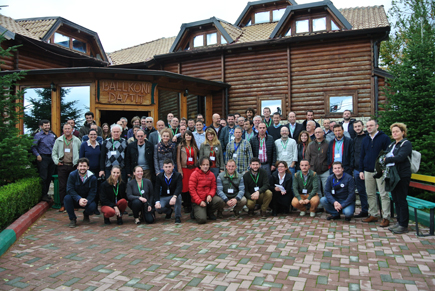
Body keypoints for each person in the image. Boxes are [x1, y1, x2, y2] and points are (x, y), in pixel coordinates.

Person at [359, 119, 392, 226]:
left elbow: (389, 154)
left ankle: (386, 216)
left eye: (371, 125)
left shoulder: (384, 138)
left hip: (380, 170)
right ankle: (373, 214)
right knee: (370, 193)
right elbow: (362, 156)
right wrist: (361, 170)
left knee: (383, 194)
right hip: (368, 170)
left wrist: (384, 167)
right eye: (367, 126)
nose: (369, 127)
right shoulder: (365, 139)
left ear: (377, 126)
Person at [384, 123, 412, 234]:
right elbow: (385, 155)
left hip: (402, 175)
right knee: (395, 199)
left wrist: (387, 160)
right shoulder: (391, 145)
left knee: (401, 199)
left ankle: (403, 224)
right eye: (393, 132)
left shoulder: (406, 144)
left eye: (397, 131)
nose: (395, 133)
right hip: (392, 175)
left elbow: (400, 157)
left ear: (403, 132)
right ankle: (399, 221)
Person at [52, 123, 81, 211]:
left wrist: (78, 164)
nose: (67, 130)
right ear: (63, 130)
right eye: (66, 129)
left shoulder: (77, 140)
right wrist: (57, 162)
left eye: (69, 128)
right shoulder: (59, 140)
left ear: (72, 130)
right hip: (62, 166)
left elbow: (80, 152)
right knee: (62, 186)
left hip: (73, 166)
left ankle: (75, 204)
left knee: (74, 185)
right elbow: (54, 152)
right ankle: (63, 204)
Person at [64, 158, 97, 228]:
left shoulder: (93, 177)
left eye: (84, 166)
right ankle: (72, 219)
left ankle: (86, 214)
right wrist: (79, 199)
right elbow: (70, 189)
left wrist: (86, 201)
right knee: (67, 198)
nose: (82, 168)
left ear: (88, 167)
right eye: (81, 166)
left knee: (93, 207)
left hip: (86, 200)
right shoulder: (72, 175)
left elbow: (93, 192)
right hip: (75, 199)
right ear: (77, 167)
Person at [189, 157, 220, 224]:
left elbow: (213, 187)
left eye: (207, 164)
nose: (205, 166)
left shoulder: (211, 175)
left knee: (219, 201)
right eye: (203, 165)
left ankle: (209, 212)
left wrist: (210, 195)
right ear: (200, 165)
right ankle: (194, 211)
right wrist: (199, 201)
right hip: (198, 200)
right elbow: (192, 190)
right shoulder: (194, 174)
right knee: (202, 220)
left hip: (208, 198)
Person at [32, 119, 56, 202]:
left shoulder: (52, 135)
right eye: (45, 125)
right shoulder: (37, 135)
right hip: (43, 158)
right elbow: (33, 147)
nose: (47, 127)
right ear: (41, 126)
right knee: (44, 177)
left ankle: (46, 194)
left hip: (51, 158)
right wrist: (37, 155)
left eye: (48, 125)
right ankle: (43, 195)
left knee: (49, 176)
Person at [176, 130, 199, 213]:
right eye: (186, 135)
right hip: (184, 168)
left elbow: (197, 157)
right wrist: (179, 170)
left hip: (193, 168)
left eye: (189, 135)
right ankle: (186, 204)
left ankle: (192, 203)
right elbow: (178, 159)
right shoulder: (180, 146)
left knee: (192, 187)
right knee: (185, 187)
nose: (188, 137)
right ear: (184, 136)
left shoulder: (194, 146)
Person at [154, 159, 183, 223]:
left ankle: (177, 217)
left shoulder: (178, 175)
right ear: (163, 167)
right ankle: (169, 211)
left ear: (173, 166)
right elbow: (157, 189)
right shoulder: (159, 176)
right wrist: (157, 201)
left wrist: (174, 196)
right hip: (164, 196)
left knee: (179, 197)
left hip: (174, 196)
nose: (168, 169)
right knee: (158, 208)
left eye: (169, 167)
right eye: (166, 167)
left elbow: (179, 187)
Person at [305, 127, 329, 196]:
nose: (317, 134)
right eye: (316, 132)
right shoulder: (311, 144)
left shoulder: (327, 143)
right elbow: (307, 157)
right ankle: (319, 206)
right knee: (317, 190)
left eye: (319, 132)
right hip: (313, 170)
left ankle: (326, 205)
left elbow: (330, 156)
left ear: (323, 133)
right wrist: (308, 168)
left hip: (325, 170)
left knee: (326, 189)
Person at [352, 120, 368, 218]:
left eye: (359, 126)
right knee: (361, 191)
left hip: (366, 169)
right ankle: (364, 210)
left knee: (369, 192)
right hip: (356, 169)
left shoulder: (367, 138)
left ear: (363, 126)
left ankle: (372, 211)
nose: (357, 128)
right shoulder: (354, 139)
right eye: (355, 127)